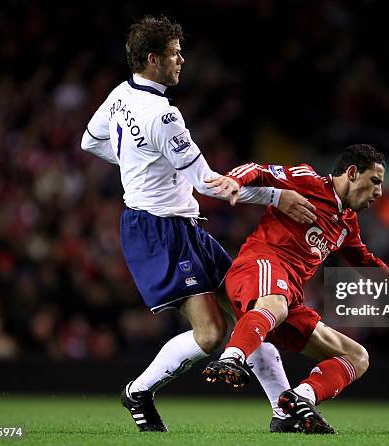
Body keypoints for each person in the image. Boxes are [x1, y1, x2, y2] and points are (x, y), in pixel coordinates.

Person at [80, 15, 317, 433]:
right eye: (174, 54)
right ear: (152, 59)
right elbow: (212, 186)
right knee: (211, 334)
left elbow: (91, 140)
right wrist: (279, 195)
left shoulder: (120, 95)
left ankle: (285, 409)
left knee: (250, 311)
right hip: (160, 229)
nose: (181, 60)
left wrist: (139, 162)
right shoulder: (163, 116)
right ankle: (138, 391)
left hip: (181, 227)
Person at [203, 144, 389, 433]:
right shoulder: (309, 181)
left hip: (288, 299)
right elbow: (260, 170)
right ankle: (231, 358)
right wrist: (234, 180)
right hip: (258, 266)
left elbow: (366, 261)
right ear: (352, 173)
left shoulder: (347, 224)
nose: (379, 192)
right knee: (274, 304)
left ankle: (299, 400)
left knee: (358, 356)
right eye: (375, 181)